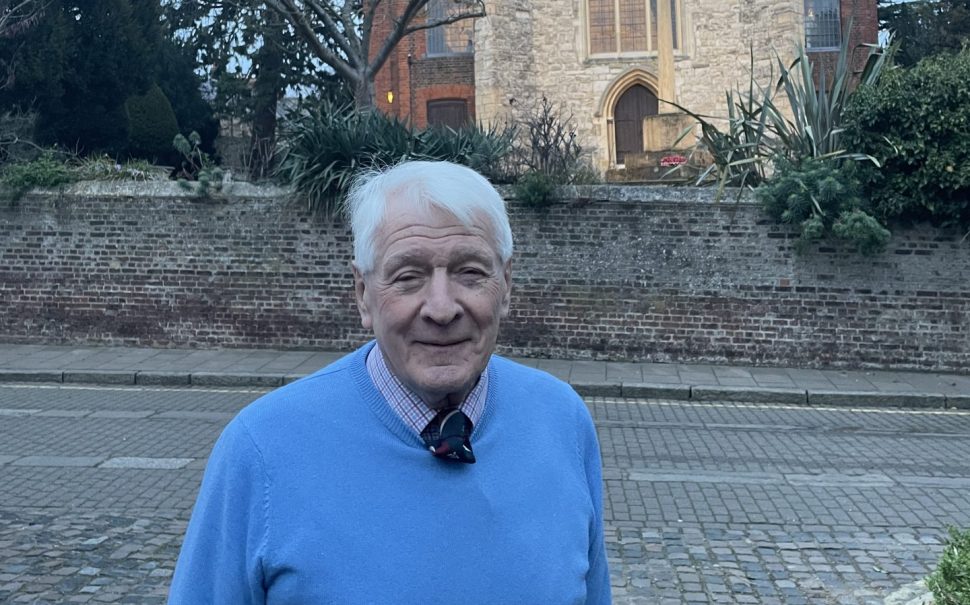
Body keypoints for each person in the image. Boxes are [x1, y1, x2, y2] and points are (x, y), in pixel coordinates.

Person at [168, 160, 612, 604]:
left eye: (470, 272)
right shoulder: (261, 448)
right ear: (363, 294)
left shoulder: (562, 421)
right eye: (408, 277)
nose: (441, 308)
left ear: (507, 284)